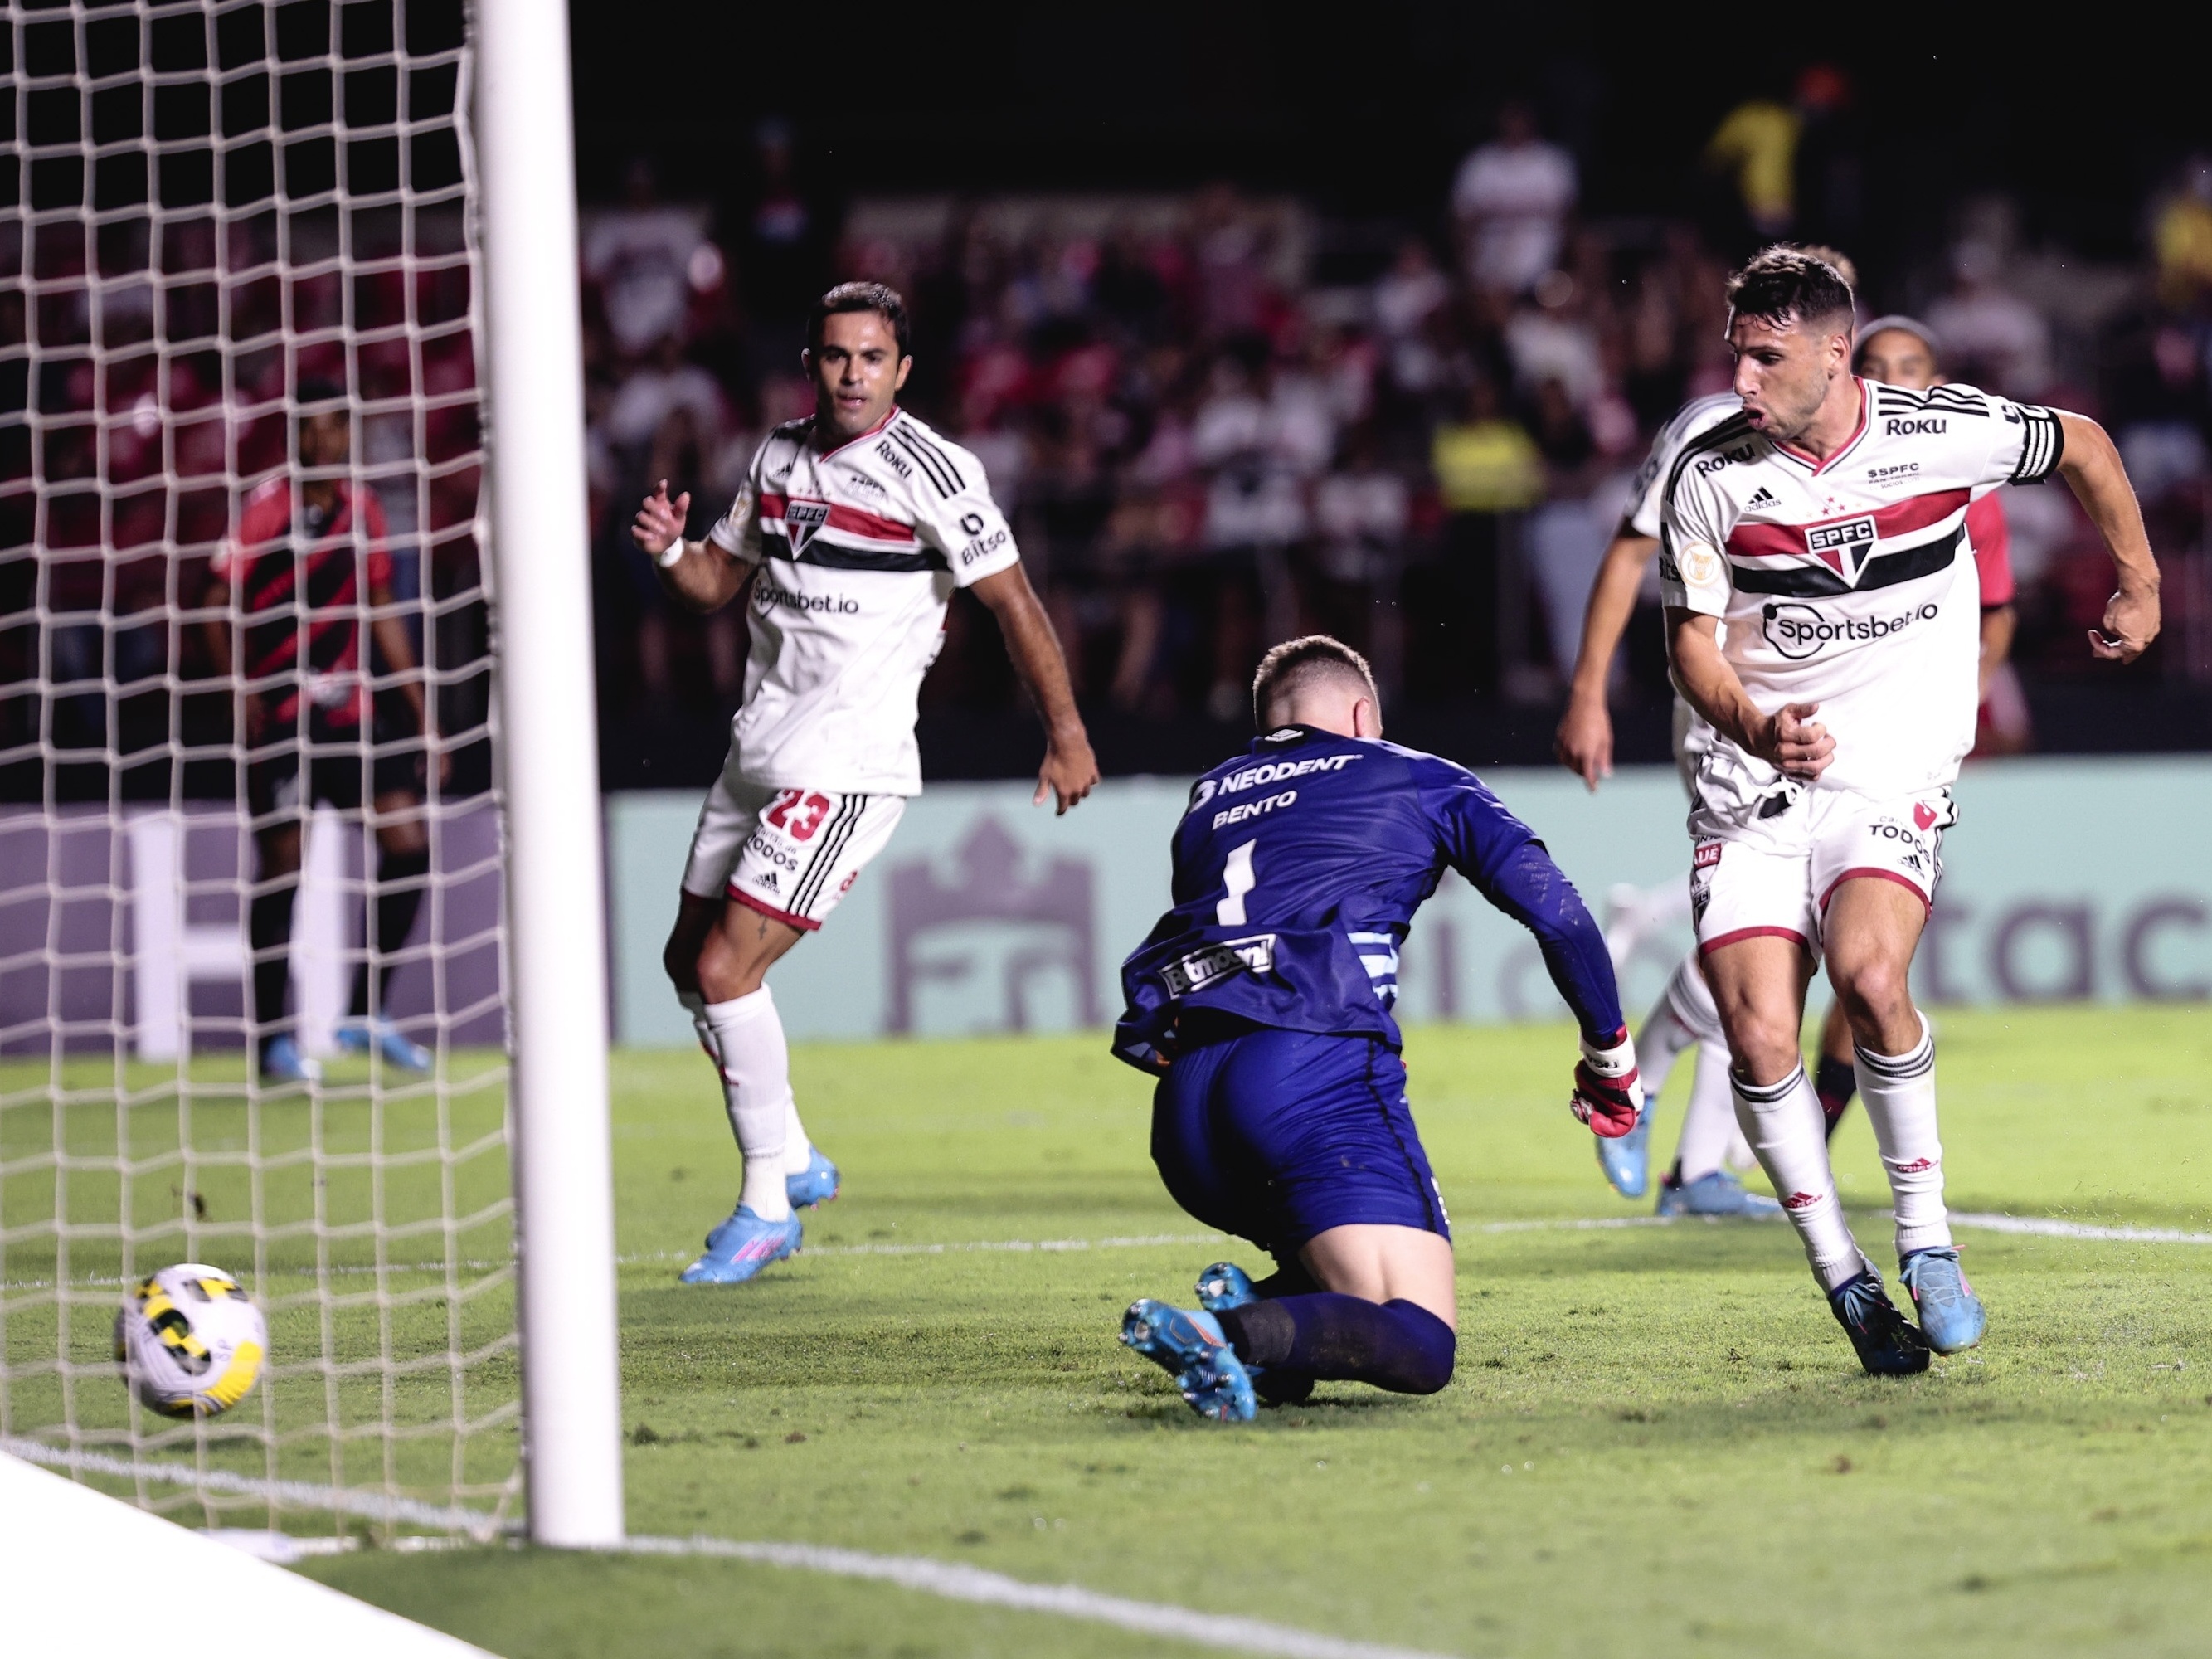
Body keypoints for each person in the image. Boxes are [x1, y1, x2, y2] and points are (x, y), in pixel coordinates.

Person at [1660, 247, 2159, 1374]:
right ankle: (1840, 1272)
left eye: (1763, 355)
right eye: (1733, 352)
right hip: (1751, 786)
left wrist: (2139, 579)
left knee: (1872, 980)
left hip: (1886, 775)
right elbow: (1688, 641)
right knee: (1754, 1036)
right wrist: (1750, 725)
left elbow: (2077, 441)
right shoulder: (1711, 475)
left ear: (1834, 353)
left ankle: (1925, 1243)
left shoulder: (1936, 432)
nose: (1738, 377)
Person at [633, 281, 1099, 1285]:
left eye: (872, 357)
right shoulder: (774, 456)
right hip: (758, 749)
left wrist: (1063, 730)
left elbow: (1012, 599)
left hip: (847, 764)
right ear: (813, 365)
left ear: (903, 369)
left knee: (727, 974)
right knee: (687, 965)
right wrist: (673, 550)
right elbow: (718, 580)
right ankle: (795, 1153)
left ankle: (765, 1203)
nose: (854, 373)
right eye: (837, 356)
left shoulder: (935, 471)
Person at [1109, 637, 1640, 1421]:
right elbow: (1558, 915)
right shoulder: (1411, 772)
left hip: (1188, 1115)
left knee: (1341, 1284)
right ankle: (1216, 1329)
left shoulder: (1210, 797)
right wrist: (1609, 1057)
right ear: (1363, 715)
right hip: (1307, 1075)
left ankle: (1277, 1294)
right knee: (1421, 1341)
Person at [1553, 244, 1863, 1218]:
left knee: (1802, 933)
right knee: (1770, 921)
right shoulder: (1709, 432)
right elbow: (1628, 553)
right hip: (1732, 706)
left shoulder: (1859, 436)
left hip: (1828, 709)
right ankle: (1636, 1085)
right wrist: (1588, 691)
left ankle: (1699, 1167)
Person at [204, 382, 444, 1084]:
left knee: (409, 848)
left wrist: (423, 714)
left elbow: (382, 613)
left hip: (351, 719)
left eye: (332, 430)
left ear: (348, 437)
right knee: (283, 871)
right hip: (282, 719)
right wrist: (237, 687)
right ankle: (274, 1044)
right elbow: (213, 602)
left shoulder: (362, 510)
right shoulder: (266, 508)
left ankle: (363, 1012)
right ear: (293, 438)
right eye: (308, 431)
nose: (320, 444)